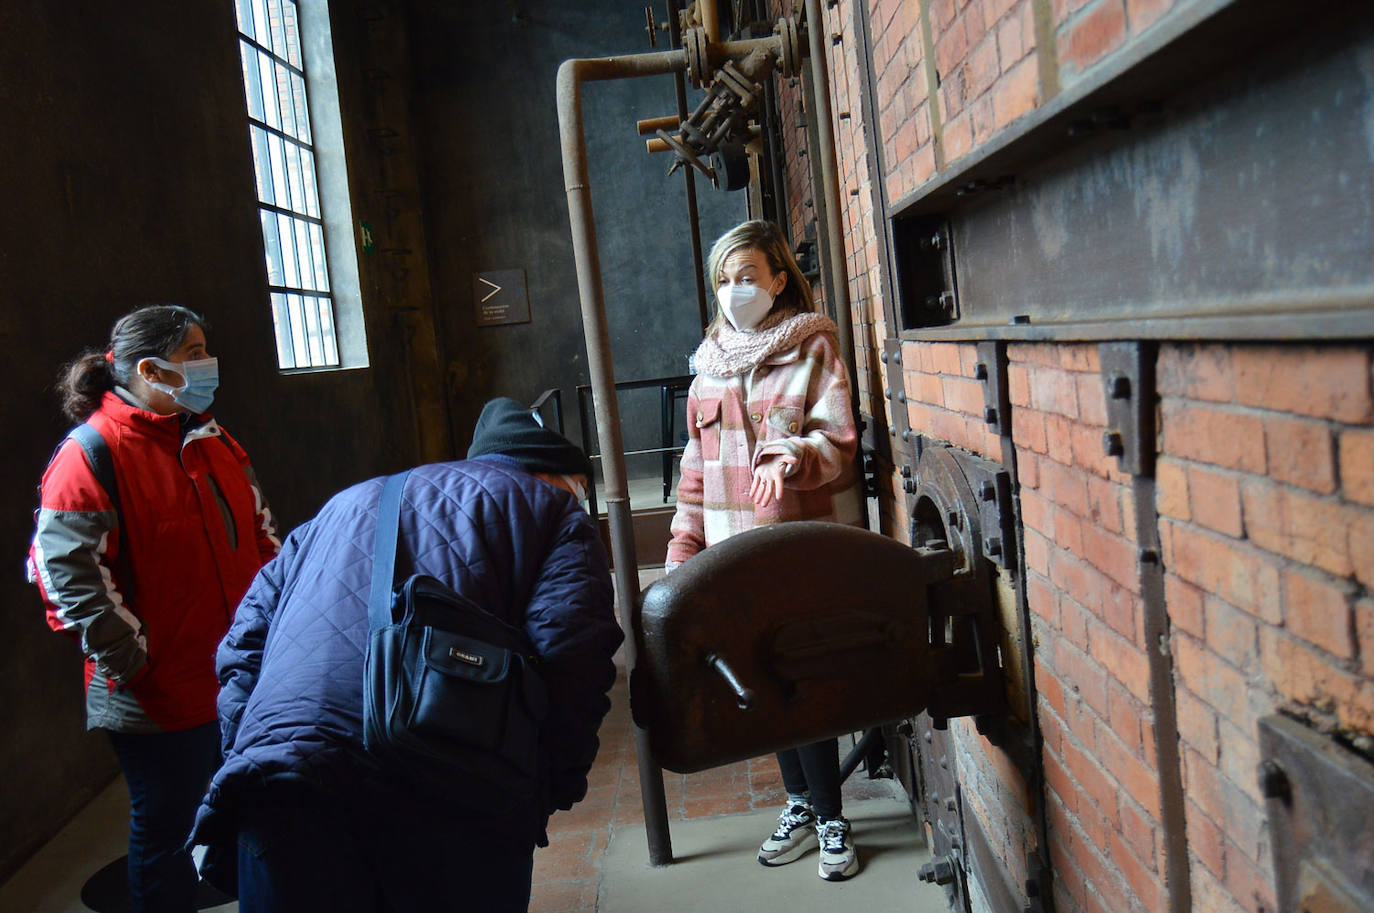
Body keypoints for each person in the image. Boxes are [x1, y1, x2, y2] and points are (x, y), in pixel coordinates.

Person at [189, 397, 624, 913]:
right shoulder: (554, 512)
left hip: (281, 787)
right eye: (578, 487)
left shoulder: (339, 506)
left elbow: (242, 648)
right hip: (445, 793)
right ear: (555, 475)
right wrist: (546, 787)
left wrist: (253, 746)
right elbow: (574, 658)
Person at [26, 304, 280, 913]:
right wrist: (139, 665)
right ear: (149, 367)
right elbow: (67, 580)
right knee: (166, 836)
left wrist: (272, 623)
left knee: (232, 815)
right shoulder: (91, 453)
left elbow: (262, 534)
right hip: (156, 690)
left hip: (230, 674)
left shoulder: (210, 437)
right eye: (194, 353)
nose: (207, 364)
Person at [666, 219, 863, 882]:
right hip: (731, 553)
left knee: (805, 671)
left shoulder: (812, 347)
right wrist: (682, 546)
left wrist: (790, 456)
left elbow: (837, 439)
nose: (735, 290)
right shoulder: (708, 369)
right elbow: (694, 468)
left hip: (792, 546)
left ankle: (833, 814)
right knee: (759, 674)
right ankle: (801, 803)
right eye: (724, 279)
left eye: (747, 276)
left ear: (779, 278)